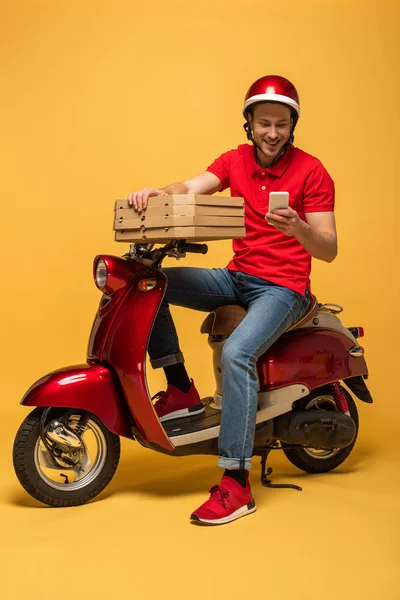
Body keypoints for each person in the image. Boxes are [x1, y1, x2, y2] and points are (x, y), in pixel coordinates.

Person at [127, 75, 337, 525]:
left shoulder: (312, 170)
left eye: (282, 124)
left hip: (285, 289)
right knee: (149, 280)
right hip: (238, 276)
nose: (273, 133)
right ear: (249, 124)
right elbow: (188, 188)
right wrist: (155, 193)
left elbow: (329, 248)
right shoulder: (235, 161)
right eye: (264, 123)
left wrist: (299, 228)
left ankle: (236, 483)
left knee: (239, 351)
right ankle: (180, 388)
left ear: (292, 126)